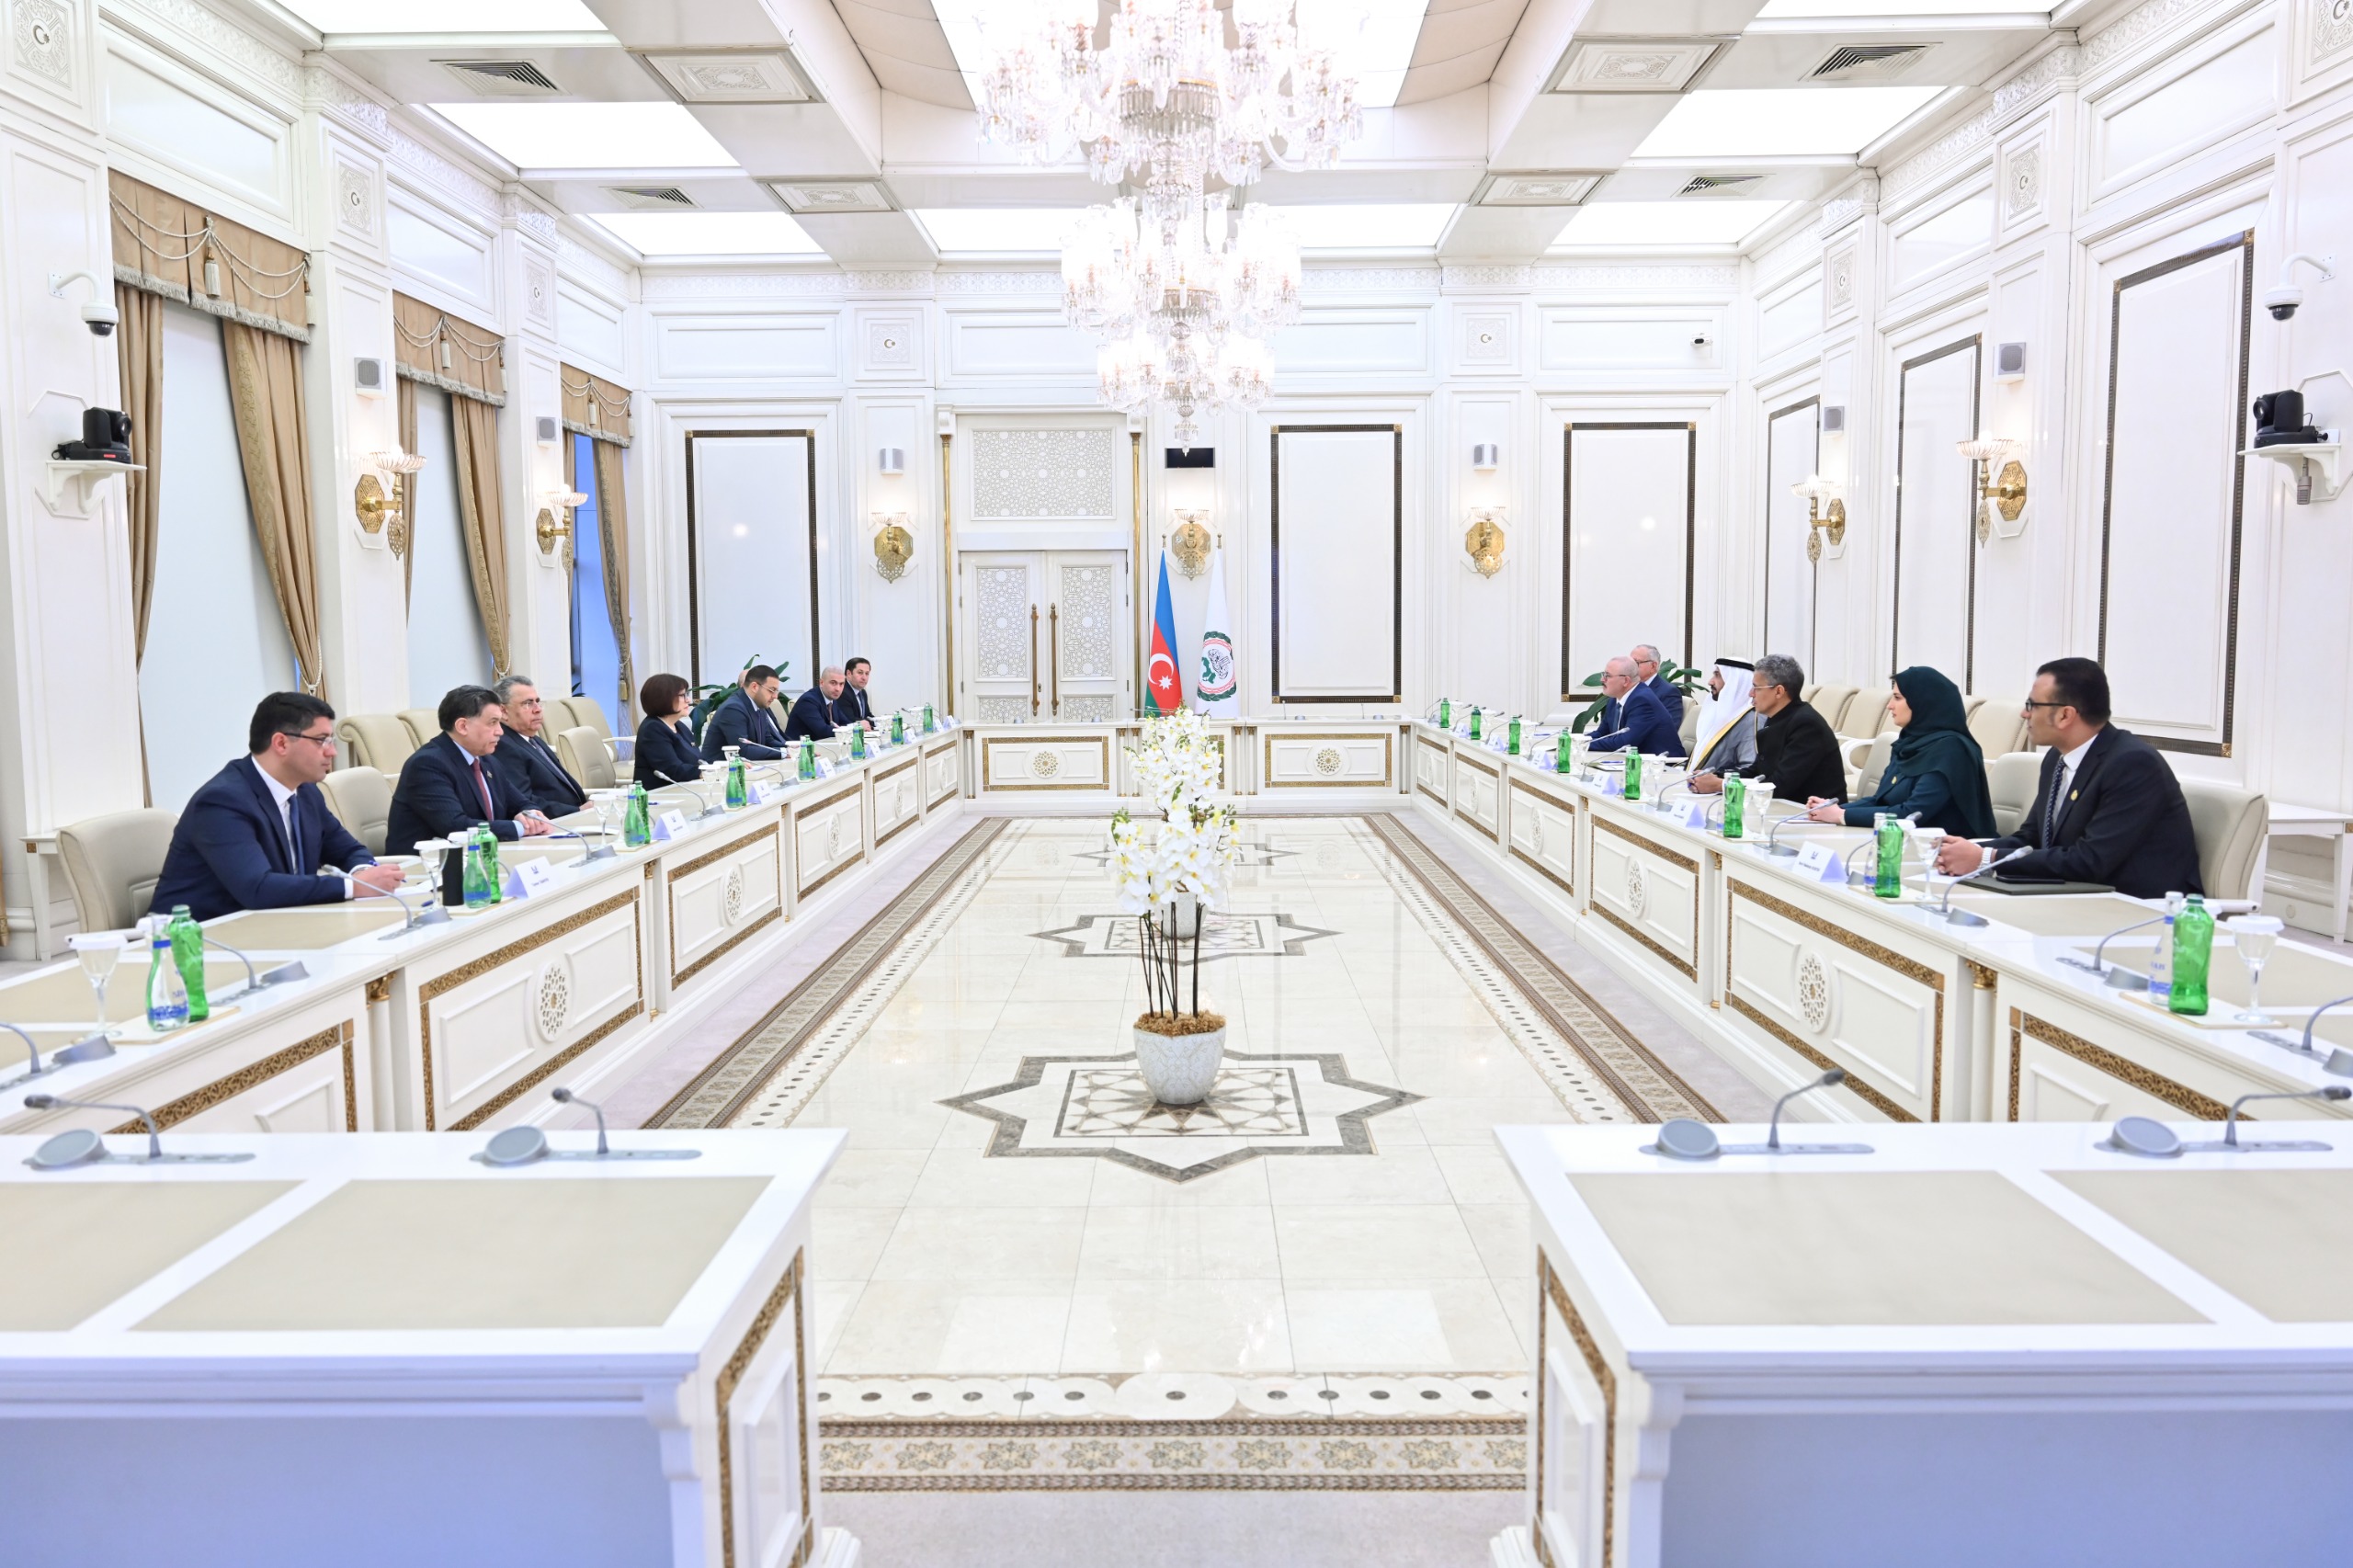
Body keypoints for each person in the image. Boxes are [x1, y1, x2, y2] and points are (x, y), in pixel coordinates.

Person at [1933, 656, 2203, 898]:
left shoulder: (2133, 764)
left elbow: (2091, 861)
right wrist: (1963, 850)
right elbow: (2033, 838)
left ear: (2065, 715)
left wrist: (1986, 858)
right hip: (2075, 893)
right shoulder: (2057, 758)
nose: (2024, 714)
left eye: (2032, 705)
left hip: (2137, 906)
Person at [150, 693, 406, 921]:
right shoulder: (221, 801)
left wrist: (363, 872)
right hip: (196, 940)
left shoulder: (305, 792)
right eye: (321, 741)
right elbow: (257, 888)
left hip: (275, 923)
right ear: (281, 743)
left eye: (331, 741)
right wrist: (354, 887)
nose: (332, 753)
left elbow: (349, 850)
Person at [1804, 665, 1994, 838]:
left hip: (1942, 850)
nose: (1890, 705)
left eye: (1897, 698)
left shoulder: (1951, 750)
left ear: (1922, 702)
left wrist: (1842, 815)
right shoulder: (1908, 743)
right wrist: (1829, 809)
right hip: (1904, 841)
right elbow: (1879, 801)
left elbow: (1911, 814)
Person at [384, 685, 554, 856]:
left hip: (480, 856)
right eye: (493, 723)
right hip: (427, 866)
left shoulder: (487, 760)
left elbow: (521, 802)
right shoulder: (427, 764)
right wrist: (521, 827)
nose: (500, 731)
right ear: (463, 726)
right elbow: (456, 827)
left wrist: (531, 814)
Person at [1693, 653, 1847, 801]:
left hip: (1811, 812)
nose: (1751, 694)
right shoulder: (1777, 718)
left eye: (1756, 688)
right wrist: (1715, 777)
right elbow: (1757, 771)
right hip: (1782, 808)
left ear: (1779, 691)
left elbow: (1780, 786)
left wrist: (1721, 785)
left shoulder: (1806, 725)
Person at [491, 675, 588, 818]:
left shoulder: (533, 739)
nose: (537, 709)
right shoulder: (504, 746)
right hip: (553, 823)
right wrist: (577, 811)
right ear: (504, 712)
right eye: (528, 703)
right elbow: (524, 801)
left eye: (537, 701)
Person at [1586, 654, 1685, 757]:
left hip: (1662, 764)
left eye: (1607, 676)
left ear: (1626, 681)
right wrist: (1578, 740)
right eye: (1603, 674)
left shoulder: (1642, 700)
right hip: (1632, 760)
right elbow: (1602, 734)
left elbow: (1624, 743)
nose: (1602, 680)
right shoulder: (1614, 699)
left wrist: (1583, 745)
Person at [1685, 658, 1757, 778]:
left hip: (1721, 787)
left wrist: (1716, 778)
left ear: (1734, 681)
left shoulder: (1751, 720)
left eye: (1717, 675)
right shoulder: (1717, 713)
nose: (1710, 682)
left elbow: (1749, 768)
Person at [703, 665, 790, 759]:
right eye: (772, 690)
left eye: (776, 691)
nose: (775, 696)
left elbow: (768, 741)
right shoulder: (733, 708)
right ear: (754, 687)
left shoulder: (758, 704)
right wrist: (785, 753)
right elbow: (743, 751)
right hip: (722, 767)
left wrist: (792, 748)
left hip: (751, 765)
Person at [634, 672, 704, 789]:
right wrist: (707, 772)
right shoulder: (652, 729)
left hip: (686, 789)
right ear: (664, 698)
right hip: (660, 795)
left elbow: (698, 760)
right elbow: (673, 770)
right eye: (683, 695)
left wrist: (719, 767)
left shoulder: (679, 725)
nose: (688, 700)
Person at [784, 665, 846, 744]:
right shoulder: (808, 701)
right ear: (821, 683)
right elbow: (823, 731)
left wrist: (854, 727)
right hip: (800, 748)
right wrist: (848, 731)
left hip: (822, 745)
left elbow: (845, 722)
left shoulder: (832, 698)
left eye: (841, 684)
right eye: (833, 683)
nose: (838, 689)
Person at [1632, 643, 1684, 724]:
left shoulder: (1668, 692)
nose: (1630, 667)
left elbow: (1670, 727)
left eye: (1636, 662)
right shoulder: (1627, 688)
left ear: (1653, 666)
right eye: (1630, 663)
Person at [833, 656, 877, 729]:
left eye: (867, 673)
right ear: (849, 673)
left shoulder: (863, 692)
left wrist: (881, 721)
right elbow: (850, 720)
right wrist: (874, 723)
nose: (864, 677)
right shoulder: (842, 692)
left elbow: (867, 715)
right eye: (860, 673)